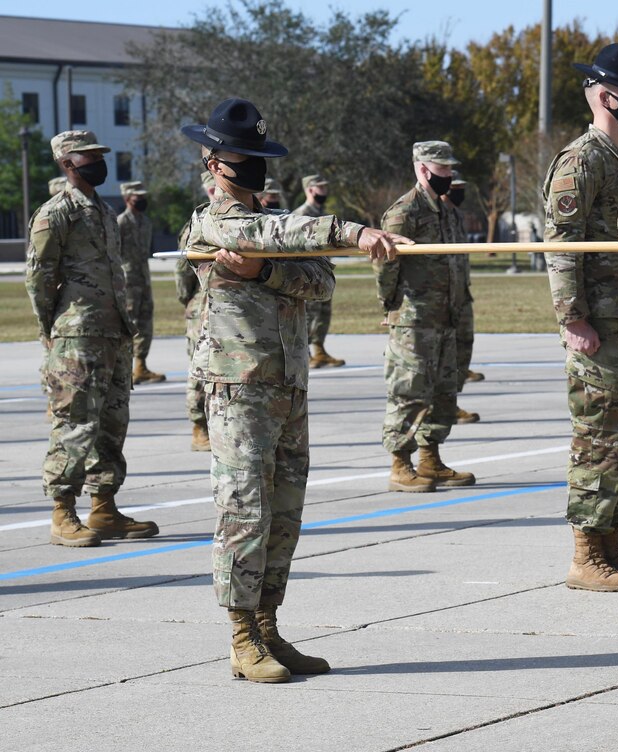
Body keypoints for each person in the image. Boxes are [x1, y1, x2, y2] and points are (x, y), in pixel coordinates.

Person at [180, 97, 405, 682]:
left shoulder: (268, 223)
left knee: (284, 513)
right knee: (244, 510)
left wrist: (267, 271)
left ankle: (268, 626)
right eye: (239, 155)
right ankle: (240, 637)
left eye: (255, 153)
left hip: (287, 383)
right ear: (212, 162)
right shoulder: (216, 222)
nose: (251, 164)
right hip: (240, 384)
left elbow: (320, 280)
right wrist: (350, 230)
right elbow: (275, 233)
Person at [542, 42, 618, 593]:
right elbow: (560, 246)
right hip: (596, 327)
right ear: (606, 97)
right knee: (596, 436)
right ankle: (585, 554)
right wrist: (573, 319)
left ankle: (611, 543)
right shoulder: (580, 160)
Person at [25, 130, 160, 547]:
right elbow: (39, 278)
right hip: (77, 334)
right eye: (88, 157)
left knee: (111, 422)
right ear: (68, 163)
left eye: (99, 155)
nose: (98, 162)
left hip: (113, 332)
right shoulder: (56, 212)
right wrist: (52, 332)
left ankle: (104, 509)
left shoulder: (104, 211)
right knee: (75, 421)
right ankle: (62, 512)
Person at [378, 141, 474, 493]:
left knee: (444, 389)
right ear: (422, 168)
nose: (448, 175)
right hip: (415, 317)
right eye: (442, 168)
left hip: (448, 314)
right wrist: (390, 305)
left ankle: (429, 459)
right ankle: (400, 464)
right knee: (410, 390)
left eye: (449, 168)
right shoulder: (405, 212)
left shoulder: (447, 211)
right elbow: (386, 266)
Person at [174, 170, 217, 452]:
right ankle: (198, 426)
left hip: (229, 306)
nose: (217, 193)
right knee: (199, 370)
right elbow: (182, 272)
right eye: (212, 190)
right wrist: (190, 302)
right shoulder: (197, 224)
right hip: (201, 306)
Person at [293, 173, 345, 368]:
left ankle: (319, 351)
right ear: (310, 189)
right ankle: (303, 353)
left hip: (324, 269)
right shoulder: (300, 215)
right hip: (308, 271)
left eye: (325, 187)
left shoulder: (324, 213)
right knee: (308, 314)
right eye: (320, 188)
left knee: (324, 313)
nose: (324, 191)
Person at [118, 180, 167, 385]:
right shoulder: (120, 222)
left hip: (143, 279)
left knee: (145, 323)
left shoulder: (146, 222)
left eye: (144, 198)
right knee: (128, 323)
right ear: (128, 199)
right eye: (138, 198)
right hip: (127, 280)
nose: (142, 201)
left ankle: (140, 366)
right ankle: (123, 368)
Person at [442, 171, 481, 424]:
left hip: (460, 294)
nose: (460, 192)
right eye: (456, 187)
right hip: (439, 297)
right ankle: (443, 407)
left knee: (464, 346)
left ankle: (451, 402)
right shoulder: (431, 214)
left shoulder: (455, 214)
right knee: (444, 355)